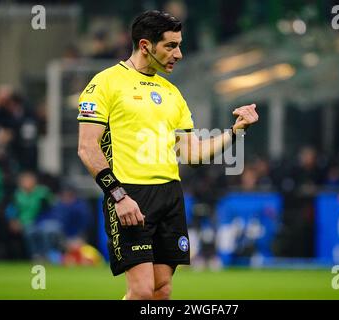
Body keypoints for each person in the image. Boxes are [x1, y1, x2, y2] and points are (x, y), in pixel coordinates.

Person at [77, 10, 258, 300]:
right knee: (142, 291)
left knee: (162, 290)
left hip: (170, 194)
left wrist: (235, 132)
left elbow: (193, 154)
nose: (179, 53)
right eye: (171, 46)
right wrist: (118, 196)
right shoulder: (105, 83)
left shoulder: (172, 93)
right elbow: (87, 147)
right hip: (130, 194)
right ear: (146, 46)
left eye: (180, 45)